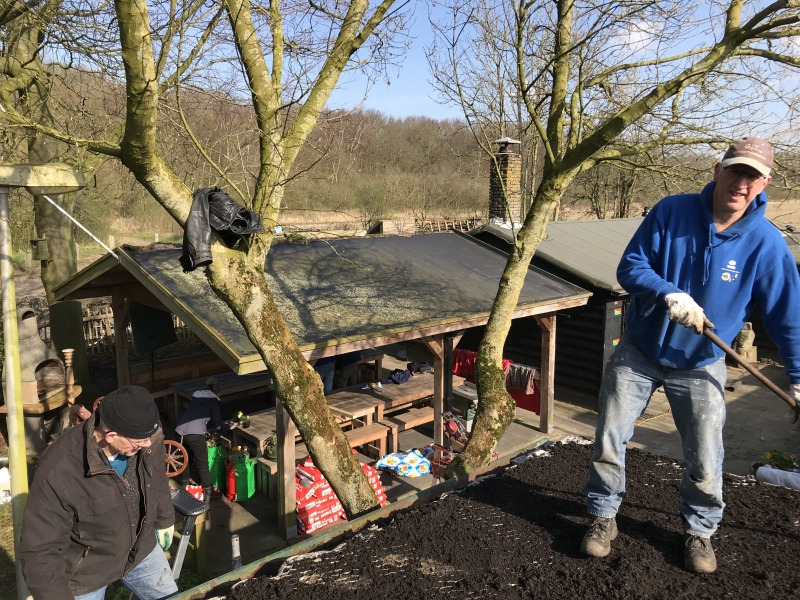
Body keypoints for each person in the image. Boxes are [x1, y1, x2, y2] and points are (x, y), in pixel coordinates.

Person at [581, 137, 800, 574]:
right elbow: (631, 267)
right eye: (735, 171)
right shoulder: (671, 211)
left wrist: (798, 374)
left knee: (705, 454)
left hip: (701, 362)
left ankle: (699, 530)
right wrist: (668, 293)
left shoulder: (766, 244)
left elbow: (787, 315)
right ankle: (603, 515)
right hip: (641, 350)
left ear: (765, 183)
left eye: (753, 176)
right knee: (609, 438)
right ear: (718, 171)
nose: (741, 183)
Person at [18, 386, 178, 600]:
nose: (148, 444)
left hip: (142, 549)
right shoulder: (59, 470)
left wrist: (165, 517)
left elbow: (156, 474)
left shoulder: (146, 434)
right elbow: (41, 549)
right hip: (87, 572)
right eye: (139, 443)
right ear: (111, 436)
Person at [175, 377, 222, 503]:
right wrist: (229, 426)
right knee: (202, 463)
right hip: (195, 434)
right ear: (217, 393)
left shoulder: (195, 398)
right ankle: (208, 494)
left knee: (186, 459)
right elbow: (217, 424)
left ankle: (184, 487)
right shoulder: (214, 401)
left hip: (179, 431)